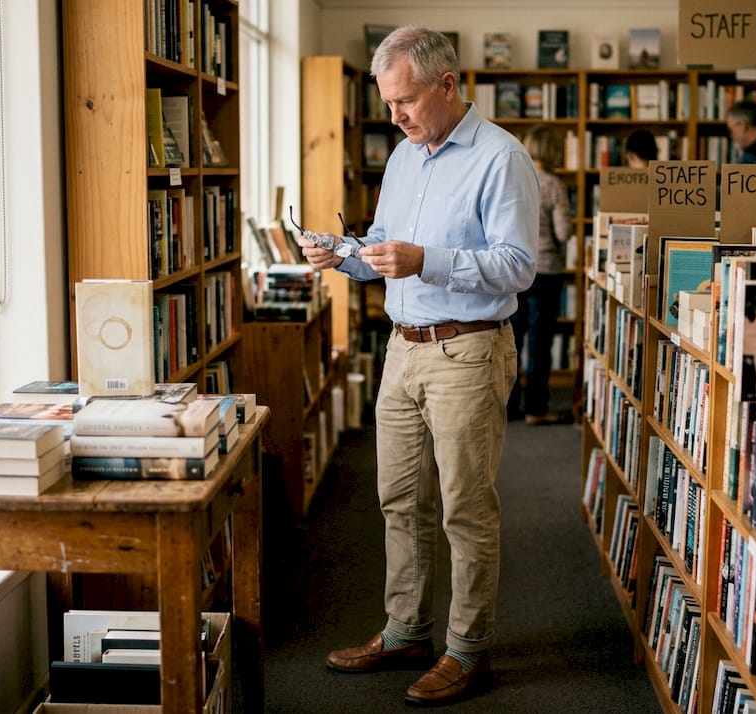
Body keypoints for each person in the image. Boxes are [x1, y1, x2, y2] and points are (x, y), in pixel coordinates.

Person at [296, 25, 539, 706]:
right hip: (401, 348)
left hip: (468, 348)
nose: (396, 116)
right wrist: (341, 253)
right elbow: (382, 247)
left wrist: (424, 260)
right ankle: (405, 630)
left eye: (406, 100)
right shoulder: (404, 158)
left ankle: (468, 649)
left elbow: (519, 267)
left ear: (449, 85)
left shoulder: (501, 159)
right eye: (388, 104)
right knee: (399, 500)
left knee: (464, 507)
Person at [508, 124, 572, 425]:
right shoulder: (554, 185)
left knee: (511, 341)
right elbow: (563, 232)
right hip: (545, 272)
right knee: (539, 343)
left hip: (512, 269)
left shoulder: (513, 180)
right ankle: (536, 409)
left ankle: (507, 408)